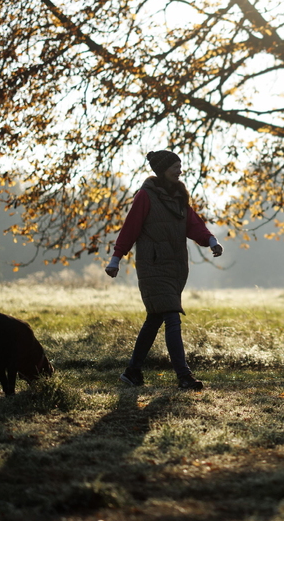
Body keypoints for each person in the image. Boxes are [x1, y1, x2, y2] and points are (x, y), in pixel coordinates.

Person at [104, 150, 224, 390]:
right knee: (171, 315)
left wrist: (210, 241)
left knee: (154, 319)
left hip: (176, 266)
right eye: (175, 167)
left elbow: (193, 223)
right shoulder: (145, 196)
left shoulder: (179, 196)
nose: (179, 171)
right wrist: (116, 258)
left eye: (180, 166)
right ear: (162, 170)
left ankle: (132, 372)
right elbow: (130, 229)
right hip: (153, 266)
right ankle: (184, 376)